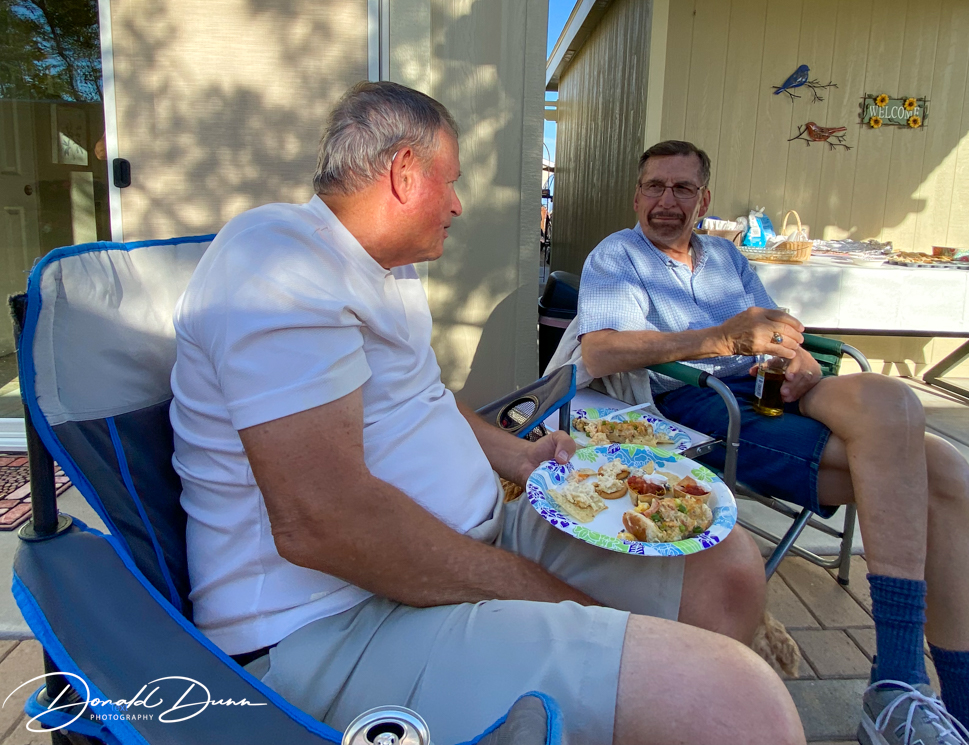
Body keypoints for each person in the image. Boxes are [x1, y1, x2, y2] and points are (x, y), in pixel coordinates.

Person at [168, 84, 804, 745]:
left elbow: (425, 397)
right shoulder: (277, 261)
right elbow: (321, 522)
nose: (457, 204)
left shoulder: (387, 268)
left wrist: (520, 457)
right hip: (330, 620)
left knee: (725, 563)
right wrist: (540, 591)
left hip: (473, 542)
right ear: (404, 173)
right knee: (741, 706)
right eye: (450, 181)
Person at [575, 139, 969, 745]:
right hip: (702, 402)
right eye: (655, 186)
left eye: (683, 188)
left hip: (770, 386)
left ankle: (923, 690)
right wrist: (722, 339)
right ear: (636, 195)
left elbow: (775, 325)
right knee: (942, 477)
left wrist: (801, 358)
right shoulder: (618, 256)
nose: (667, 200)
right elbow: (601, 351)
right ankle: (921, 688)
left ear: (704, 200)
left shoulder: (725, 256)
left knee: (897, 403)